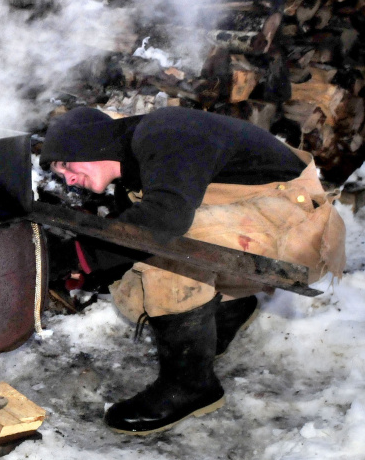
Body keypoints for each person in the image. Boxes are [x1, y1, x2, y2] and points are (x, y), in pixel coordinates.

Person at [40, 106, 346, 435]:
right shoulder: (136, 168)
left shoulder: (164, 132)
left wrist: (78, 255)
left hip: (302, 228)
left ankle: (190, 387)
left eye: (67, 165)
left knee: (170, 255)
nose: (68, 179)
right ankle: (228, 309)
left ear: (90, 144)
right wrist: (91, 271)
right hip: (267, 217)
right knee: (135, 294)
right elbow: (133, 240)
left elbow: (164, 223)